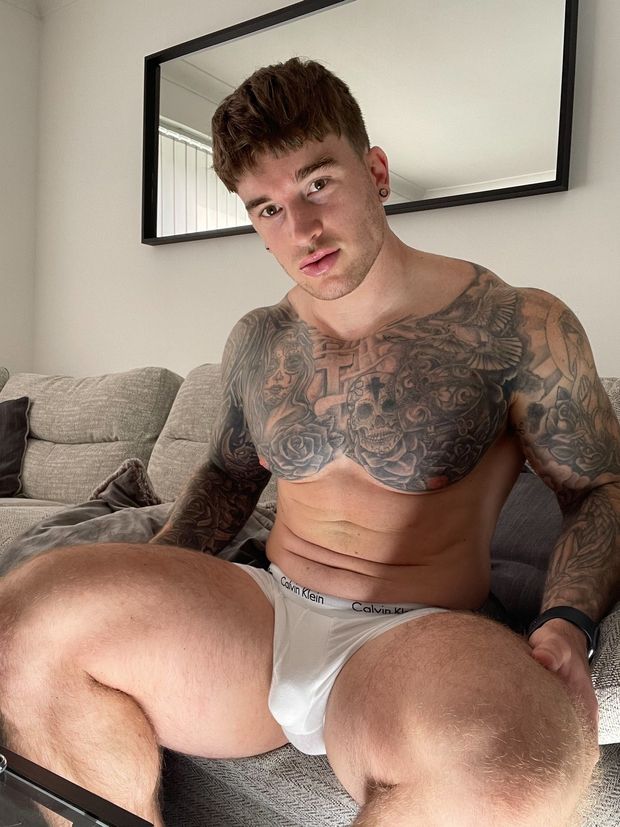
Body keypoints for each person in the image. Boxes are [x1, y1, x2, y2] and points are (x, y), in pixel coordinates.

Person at [1, 57, 618, 827]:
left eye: (317, 184)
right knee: (23, 620)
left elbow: (596, 488)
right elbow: (227, 478)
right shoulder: (259, 340)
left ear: (376, 172)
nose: (300, 229)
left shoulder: (517, 323)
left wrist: (568, 619)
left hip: (413, 633)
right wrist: (150, 579)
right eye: (267, 208)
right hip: (265, 612)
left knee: (512, 767)